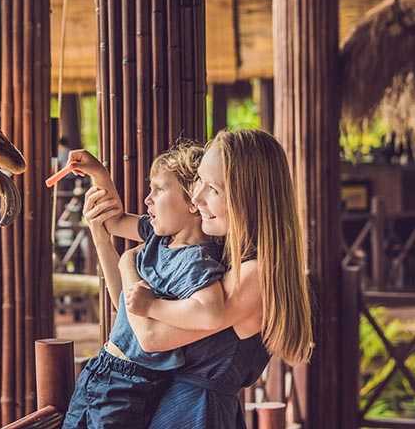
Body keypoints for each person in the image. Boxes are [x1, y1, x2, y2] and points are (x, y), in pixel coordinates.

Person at [83, 129, 313, 428]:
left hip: (197, 414)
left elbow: (150, 336)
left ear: (249, 196)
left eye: (213, 189)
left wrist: (129, 262)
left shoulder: (255, 275)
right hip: (177, 408)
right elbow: (129, 309)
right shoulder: (222, 253)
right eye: (199, 182)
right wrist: (101, 227)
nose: (197, 196)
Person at [62, 142, 226, 428]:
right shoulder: (158, 236)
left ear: (192, 201)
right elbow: (112, 222)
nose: (147, 199)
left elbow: (210, 308)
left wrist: (151, 304)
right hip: (102, 368)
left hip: (129, 384)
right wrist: (99, 174)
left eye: (159, 189)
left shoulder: (196, 262)